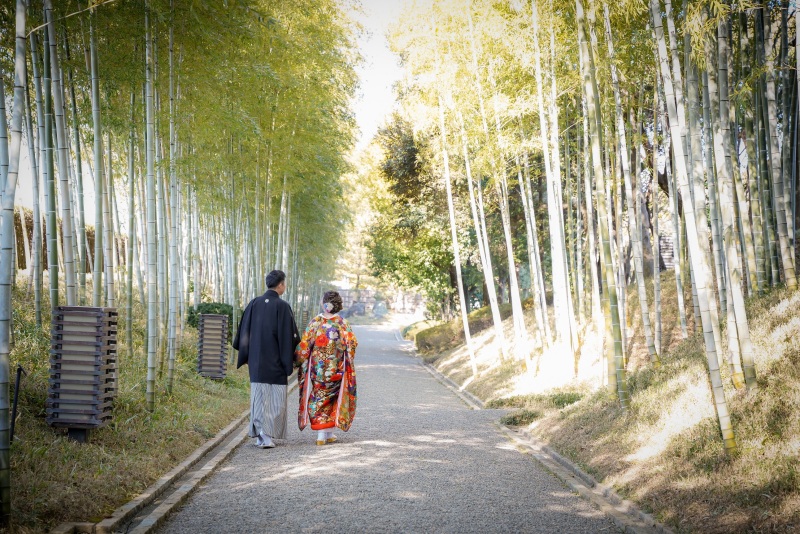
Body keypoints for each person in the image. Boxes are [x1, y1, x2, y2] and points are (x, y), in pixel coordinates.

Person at [233, 270, 299, 449]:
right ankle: (266, 435)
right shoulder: (282, 306)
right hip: (276, 360)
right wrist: (290, 359)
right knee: (275, 398)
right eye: (284, 283)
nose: (284, 286)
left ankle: (260, 434)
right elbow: (289, 336)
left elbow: (243, 331)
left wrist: (247, 355)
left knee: (259, 396)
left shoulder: (254, 303)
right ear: (280, 285)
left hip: (256, 361)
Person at [295, 291, 358, 446]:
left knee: (319, 396)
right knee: (333, 398)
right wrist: (345, 356)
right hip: (336, 368)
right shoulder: (342, 323)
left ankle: (325, 434)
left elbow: (304, 345)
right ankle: (324, 434)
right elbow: (352, 344)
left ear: (323, 303)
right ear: (338, 305)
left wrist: (299, 360)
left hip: (318, 369)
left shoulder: (315, 322)